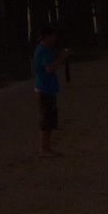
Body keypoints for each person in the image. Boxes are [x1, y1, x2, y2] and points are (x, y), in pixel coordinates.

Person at [33, 26, 71, 156]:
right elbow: (49, 68)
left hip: (46, 87)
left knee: (49, 117)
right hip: (44, 88)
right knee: (46, 118)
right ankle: (44, 149)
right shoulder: (43, 50)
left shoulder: (44, 50)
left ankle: (46, 148)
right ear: (47, 36)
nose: (54, 39)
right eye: (53, 36)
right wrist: (62, 57)